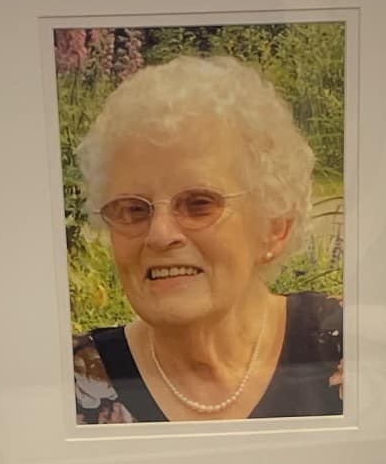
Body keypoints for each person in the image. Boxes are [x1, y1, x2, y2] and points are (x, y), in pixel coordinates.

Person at [70, 53, 341, 425]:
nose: (160, 235)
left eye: (198, 204)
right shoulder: (72, 388)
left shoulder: (351, 348)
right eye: (133, 209)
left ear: (275, 227)